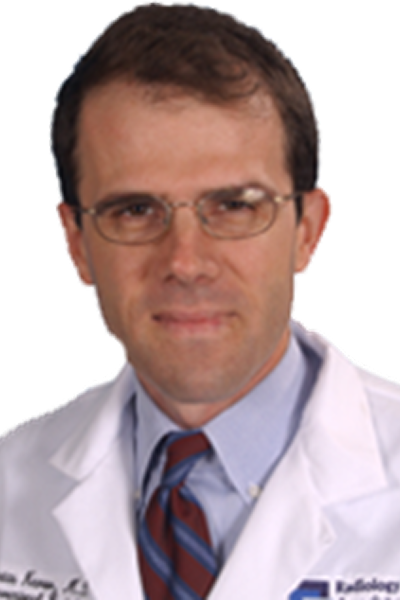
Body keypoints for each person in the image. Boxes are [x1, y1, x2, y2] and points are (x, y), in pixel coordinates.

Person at [1, 3, 399, 600]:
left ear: (307, 230)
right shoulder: (8, 483)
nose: (185, 262)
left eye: (235, 206)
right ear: (77, 243)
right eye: (135, 210)